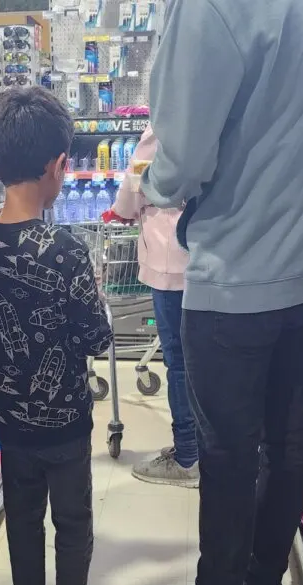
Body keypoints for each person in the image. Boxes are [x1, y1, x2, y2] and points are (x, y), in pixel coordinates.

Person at [135, 0, 303, 585]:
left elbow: (180, 159)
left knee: (229, 451)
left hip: (243, 262)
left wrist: (149, 185)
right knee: (290, 436)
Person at [0, 86, 116, 585]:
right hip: (65, 420)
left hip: (8, 415)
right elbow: (94, 338)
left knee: (22, 515)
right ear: (58, 167)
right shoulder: (67, 250)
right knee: (71, 520)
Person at [108, 126, 197, 488]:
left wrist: (122, 209)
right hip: (208, 254)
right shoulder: (218, 110)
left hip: (170, 259)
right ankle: (205, 447)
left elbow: (137, 179)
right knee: (204, 359)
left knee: (178, 361)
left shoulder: (163, 123)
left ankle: (188, 455)